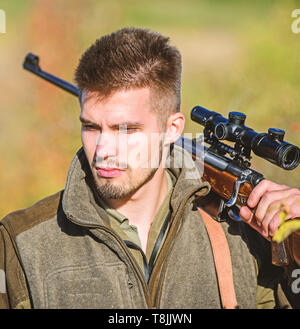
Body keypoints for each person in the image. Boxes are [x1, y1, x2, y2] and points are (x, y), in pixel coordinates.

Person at [0, 27, 299, 309]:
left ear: (172, 130)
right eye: (91, 127)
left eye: (125, 130)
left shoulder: (247, 238)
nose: (103, 150)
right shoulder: (22, 241)